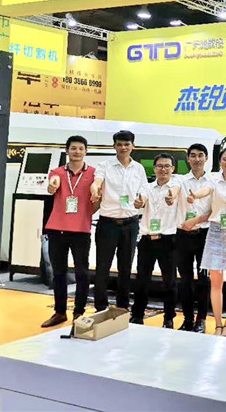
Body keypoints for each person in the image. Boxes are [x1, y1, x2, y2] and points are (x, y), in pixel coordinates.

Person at [187, 147, 226, 337]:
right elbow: (205, 191)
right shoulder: (213, 181)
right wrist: (196, 195)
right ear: (220, 161)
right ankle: (217, 324)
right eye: (225, 159)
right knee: (215, 281)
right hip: (215, 231)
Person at [41, 135, 97, 328]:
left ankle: (79, 312)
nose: (77, 152)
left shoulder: (94, 174)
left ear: (86, 151)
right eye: (73, 148)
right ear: (67, 151)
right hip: (57, 230)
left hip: (81, 231)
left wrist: (86, 213)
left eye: (81, 148)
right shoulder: (57, 172)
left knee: (82, 272)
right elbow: (53, 183)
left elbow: (96, 199)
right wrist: (52, 185)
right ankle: (59, 312)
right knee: (59, 273)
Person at [90, 130, 148, 312]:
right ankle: (101, 306)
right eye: (120, 144)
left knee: (125, 267)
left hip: (130, 224)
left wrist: (142, 200)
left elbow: (144, 190)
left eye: (127, 144)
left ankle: (123, 306)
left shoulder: (138, 168)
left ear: (133, 146)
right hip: (108, 223)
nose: (123, 147)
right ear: (114, 146)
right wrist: (95, 189)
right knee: (103, 267)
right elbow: (97, 181)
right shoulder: (105, 165)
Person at [131, 153, 180, 328]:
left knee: (170, 281)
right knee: (142, 280)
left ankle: (169, 317)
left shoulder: (177, 186)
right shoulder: (147, 187)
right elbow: (142, 198)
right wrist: (139, 202)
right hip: (147, 239)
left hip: (168, 239)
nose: (163, 169)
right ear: (154, 168)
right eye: (159, 166)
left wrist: (171, 197)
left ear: (173, 169)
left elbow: (175, 192)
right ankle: (137, 315)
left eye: (167, 166)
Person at [176, 143, 212, 333]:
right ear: (188, 159)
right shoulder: (180, 181)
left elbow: (214, 210)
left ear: (206, 158)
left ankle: (202, 319)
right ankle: (188, 319)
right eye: (193, 155)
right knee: (185, 280)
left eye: (200, 155)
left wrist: (196, 220)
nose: (197, 159)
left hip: (204, 234)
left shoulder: (213, 182)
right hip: (183, 235)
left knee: (203, 279)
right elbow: (172, 194)